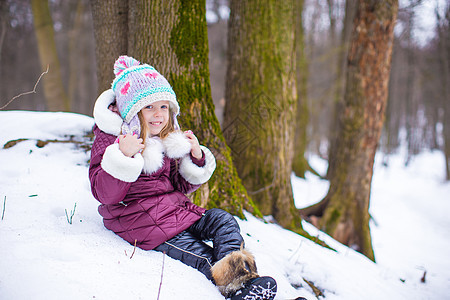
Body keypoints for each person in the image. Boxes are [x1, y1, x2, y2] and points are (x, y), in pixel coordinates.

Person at [89, 56, 277, 300]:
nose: (158, 114)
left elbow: (179, 185)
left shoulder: (164, 139)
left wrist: (196, 157)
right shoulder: (114, 141)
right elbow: (105, 194)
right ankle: (239, 290)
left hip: (179, 214)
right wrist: (123, 157)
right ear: (132, 110)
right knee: (203, 257)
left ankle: (247, 284)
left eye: (164, 107)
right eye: (149, 107)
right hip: (143, 225)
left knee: (222, 220)